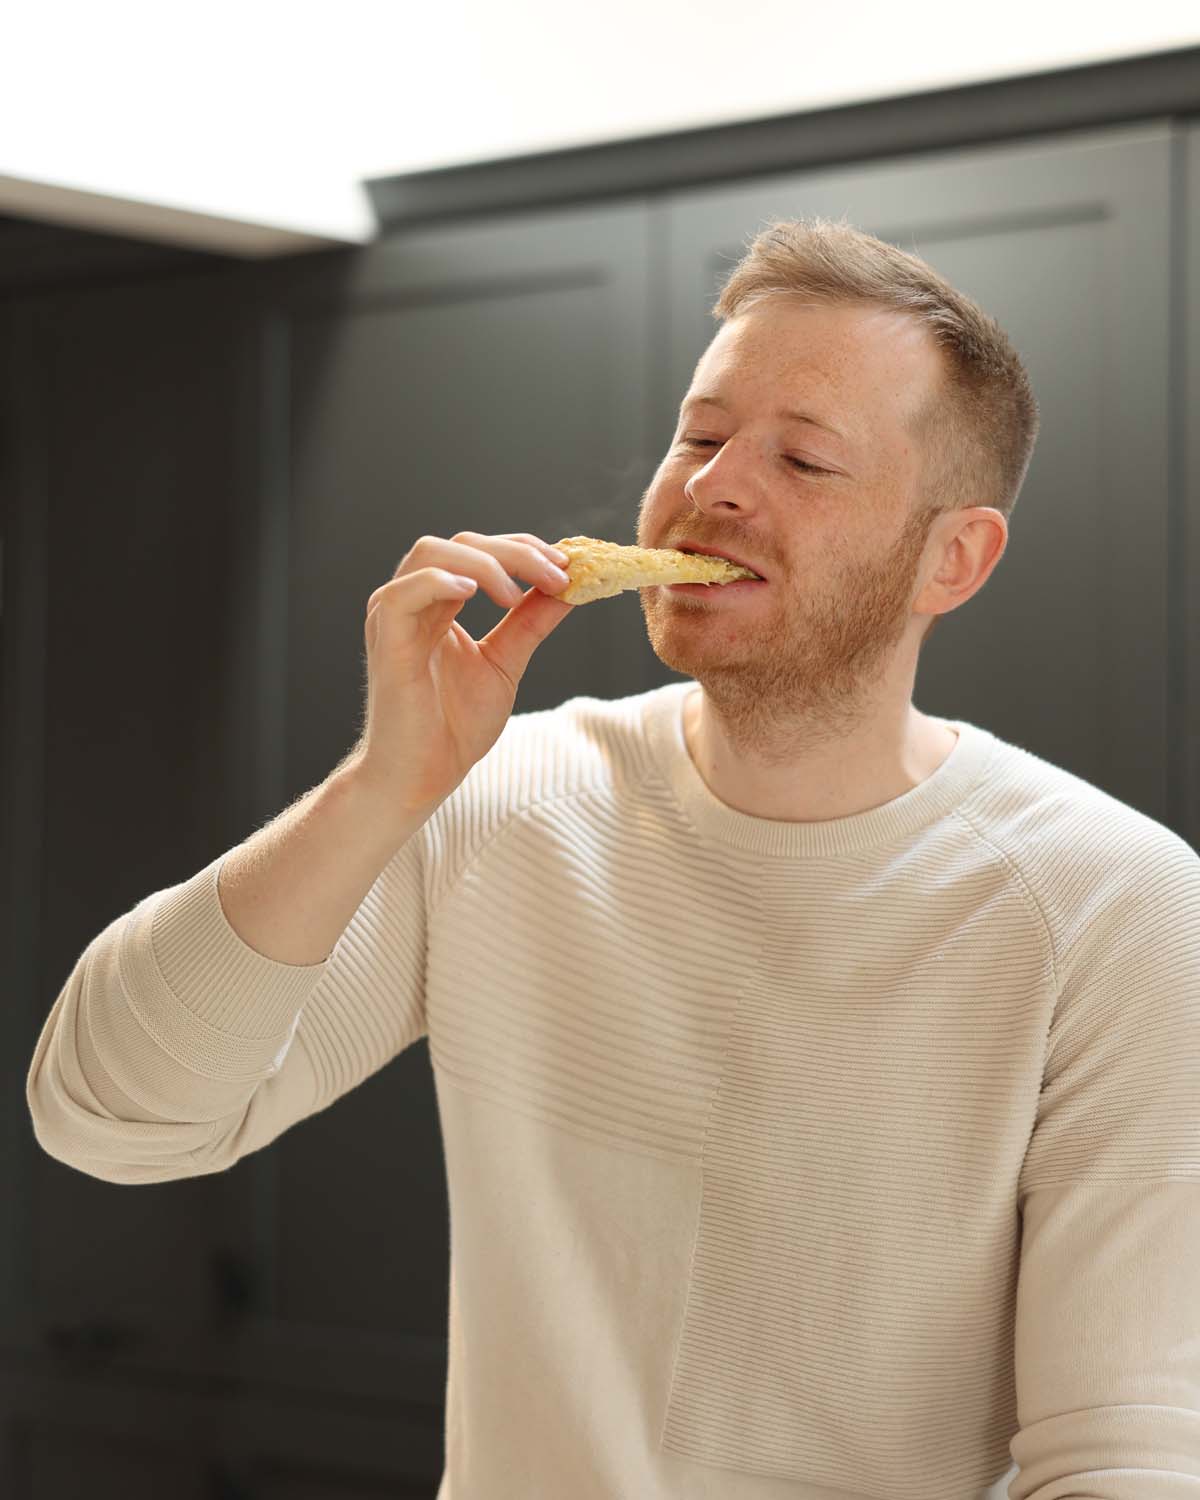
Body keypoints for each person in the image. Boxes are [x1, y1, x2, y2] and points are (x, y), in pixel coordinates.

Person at [27, 216, 1200, 1500]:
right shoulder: (505, 800)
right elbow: (111, 1118)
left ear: (953, 558)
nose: (711, 488)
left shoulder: (1119, 905)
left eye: (804, 458)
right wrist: (381, 789)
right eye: (701, 436)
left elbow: (1123, 1453)